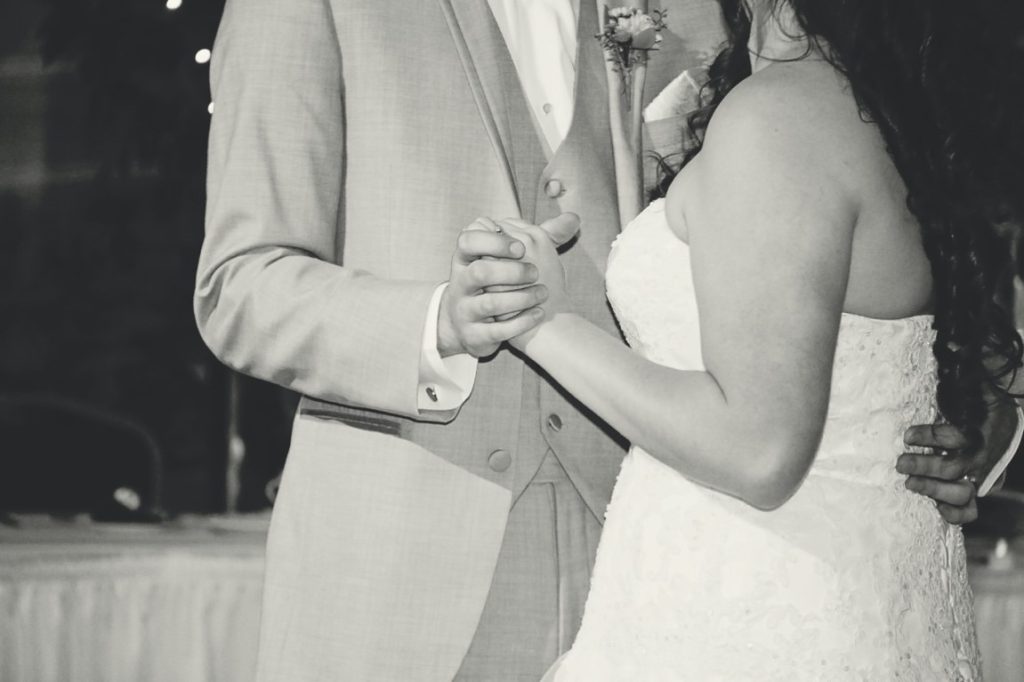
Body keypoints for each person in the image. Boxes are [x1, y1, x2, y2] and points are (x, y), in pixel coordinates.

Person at [194, 0, 1018, 679]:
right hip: (402, 564)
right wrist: (438, 321)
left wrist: (973, 428)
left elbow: (900, 240)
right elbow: (239, 284)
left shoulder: (723, 20)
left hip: (675, 569)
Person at [481, 0, 1024, 679]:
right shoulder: (887, 109)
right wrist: (990, 421)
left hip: (748, 615)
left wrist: (537, 319)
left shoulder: (779, 117)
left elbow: (760, 450)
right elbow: (959, 349)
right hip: (870, 619)